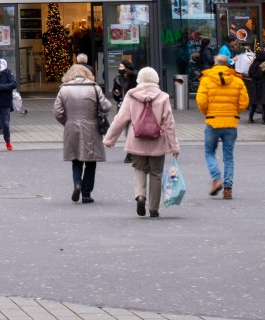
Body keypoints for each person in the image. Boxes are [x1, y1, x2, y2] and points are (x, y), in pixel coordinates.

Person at [103, 67, 180, 218]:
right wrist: (174, 146)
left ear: (139, 80)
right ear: (156, 80)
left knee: (139, 169)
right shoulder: (163, 97)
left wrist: (110, 139)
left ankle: (140, 196)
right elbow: (169, 123)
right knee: (156, 174)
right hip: (158, 140)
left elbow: (121, 118)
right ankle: (153, 208)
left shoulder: (131, 95)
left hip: (136, 140)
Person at [53, 63, 111, 203]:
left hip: (71, 126)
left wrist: (67, 122)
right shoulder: (94, 87)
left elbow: (57, 112)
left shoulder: (64, 90)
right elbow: (106, 106)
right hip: (91, 127)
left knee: (76, 160)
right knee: (91, 162)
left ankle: (77, 183)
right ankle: (86, 193)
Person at [197, 53, 248, 200]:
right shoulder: (238, 81)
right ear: (228, 64)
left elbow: (201, 101)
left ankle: (216, 178)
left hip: (212, 121)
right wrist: (234, 112)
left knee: (209, 152)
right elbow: (244, 101)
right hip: (231, 122)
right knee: (228, 157)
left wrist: (208, 113)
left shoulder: (206, 80)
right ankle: (228, 188)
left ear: (215, 63)